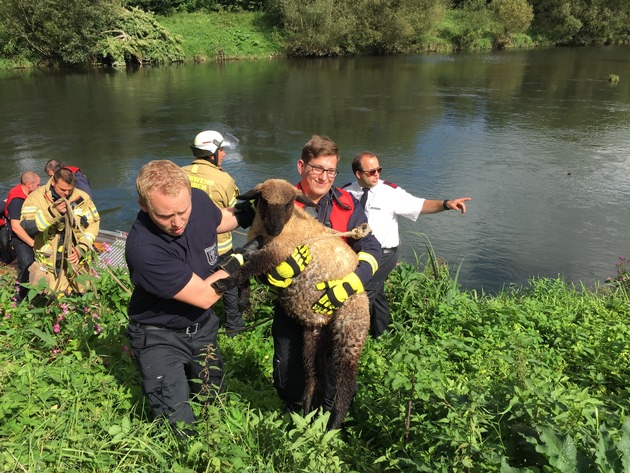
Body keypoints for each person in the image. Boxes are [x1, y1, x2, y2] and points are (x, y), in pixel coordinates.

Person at [124, 159, 253, 431]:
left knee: (213, 403)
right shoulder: (143, 249)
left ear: (190, 196)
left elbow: (223, 220)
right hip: (160, 335)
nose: (177, 223)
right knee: (177, 424)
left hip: (203, 327)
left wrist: (257, 212)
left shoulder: (200, 202)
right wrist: (243, 258)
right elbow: (206, 295)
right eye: (165, 216)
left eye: (183, 211)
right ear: (144, 205)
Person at [271, 135, 381, 414]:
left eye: (331, 170)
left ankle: (330, 417)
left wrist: (351, 284)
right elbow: (263, 251)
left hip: (336, 304)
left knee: (332, 368)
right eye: (317, 168)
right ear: (301, 166)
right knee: (287, 372)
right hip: (293, 305)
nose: (324, 176)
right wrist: (275, 275)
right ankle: (295, 408)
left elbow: (371, 246)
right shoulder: (280, 203)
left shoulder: (346, 203)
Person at [343, 151, 471, 337]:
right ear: (358, 174)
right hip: (358, 253)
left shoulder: (390, 192)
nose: (377, 174)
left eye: (379, 169)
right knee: (378, 294)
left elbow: (419, 205)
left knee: (361, 294)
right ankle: (381, 335)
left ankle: (352, 339)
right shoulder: (346, 192)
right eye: (371, 172)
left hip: (384, 254)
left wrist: (446, 204)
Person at [182, 130, 245, 336]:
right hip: (220, 246)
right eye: (221, 150)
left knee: (194, 284)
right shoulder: (224, 180)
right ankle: (234, 328)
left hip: (189, 245)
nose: (224, 154)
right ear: (212, 154)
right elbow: (233, 212)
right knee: (229, 282)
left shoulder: (180, 173)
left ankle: (197, 326)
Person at [20, 167, 100, 295]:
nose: (66, 193)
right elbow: (27, 227)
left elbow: (93, 225)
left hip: (76, 262)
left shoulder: (82, 198)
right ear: (53, 182)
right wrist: (53, 213)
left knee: (81, 296)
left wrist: (82, 248)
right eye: (62, 190)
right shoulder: (36, 198)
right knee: (48, 300)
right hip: (49, 266)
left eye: (69, 190)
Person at [3, 171, 41, 299]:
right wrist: (32, 244)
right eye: (37, 185)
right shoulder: (17, 201)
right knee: (26, 263)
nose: (39, 188)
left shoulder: (25, 192)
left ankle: (36, 289)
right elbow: (16, 227)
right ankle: (20, 296)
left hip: (29, 232)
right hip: (19, 237)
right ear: (29, 185)